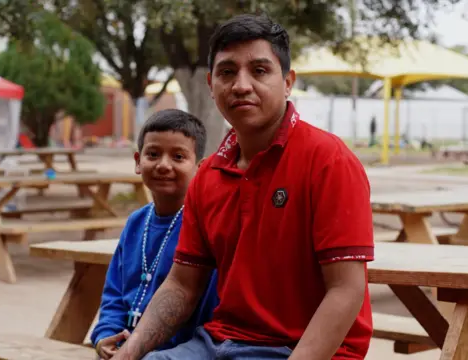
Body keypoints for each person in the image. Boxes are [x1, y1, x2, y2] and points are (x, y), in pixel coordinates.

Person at [112, 13, 374, 360]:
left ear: (288, 81)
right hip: (216, 344)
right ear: (211, 83)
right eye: (227, 72)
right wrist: (130, 353)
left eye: (260, 71)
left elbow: (346, 290)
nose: (241, 85)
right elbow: (182, 284)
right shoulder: (207, 175)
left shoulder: (328, 160)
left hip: (300, 350)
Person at [91, 109, 219, 359]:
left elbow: (201, 307)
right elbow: (115, 294)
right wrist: (104, 336)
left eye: (178, 156)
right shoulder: (136, 222)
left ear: (200, 167)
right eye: (153, 154)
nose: (163, 165)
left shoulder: (205, 226)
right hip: (124, 345)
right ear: (138, 161)